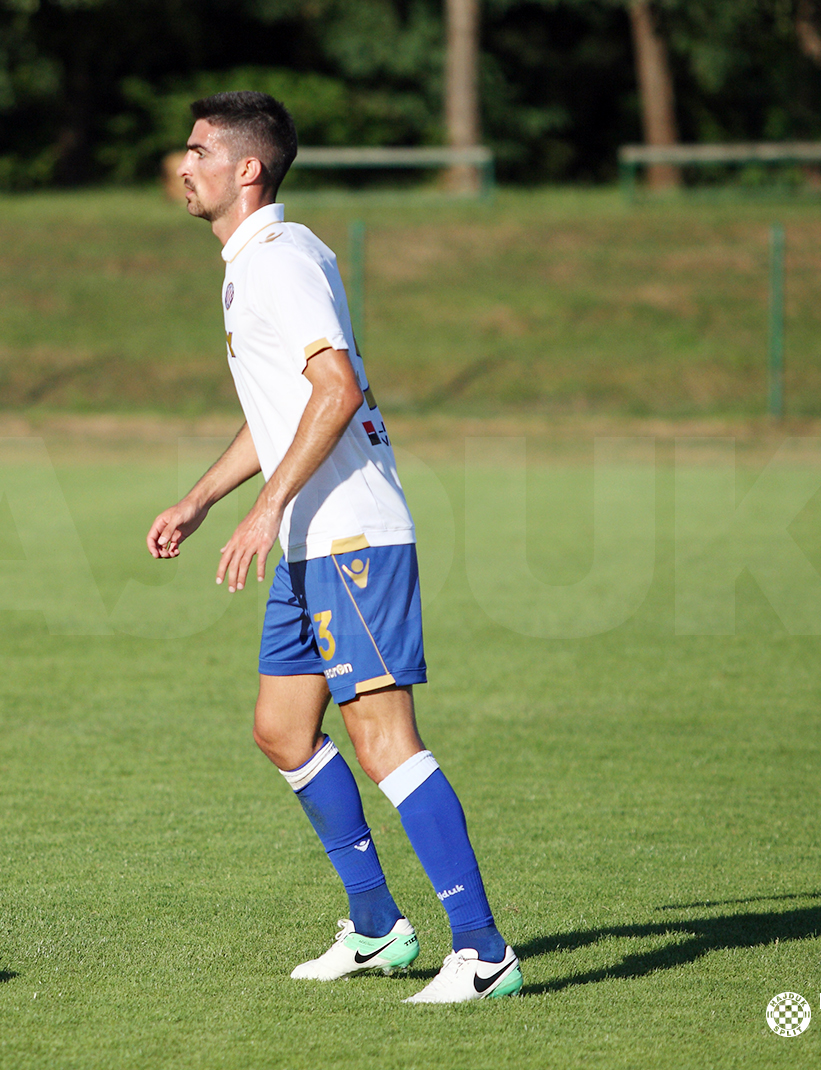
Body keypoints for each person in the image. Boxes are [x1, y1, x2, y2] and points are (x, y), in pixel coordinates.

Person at [146, 91, 522, 1004]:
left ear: (246, 170)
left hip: (350, 533)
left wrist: (265, 509)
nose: (181, 163)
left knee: (384, 739)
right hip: (313, 538)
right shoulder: (258, 261)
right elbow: (284, 411)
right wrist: (204, 496)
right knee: (282, 731)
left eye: (197, 149)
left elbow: (338, 389)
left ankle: (482, 952)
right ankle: (378, 930)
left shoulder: (276, 261)